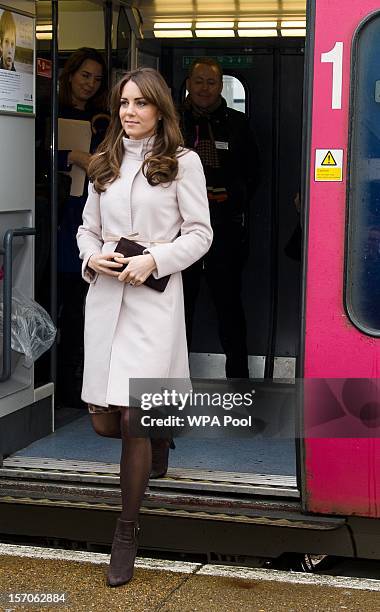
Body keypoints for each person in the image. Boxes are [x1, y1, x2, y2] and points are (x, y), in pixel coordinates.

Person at [76, 67, 212, 586]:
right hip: (107, 300)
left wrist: (153, 260)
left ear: (160, 109)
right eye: (124, 102)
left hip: (153, 305)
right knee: (105, 424)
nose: (130, 111)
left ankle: (126, 532)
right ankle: (160, 439)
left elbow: (200, 234)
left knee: (133, 418)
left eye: (141, 103)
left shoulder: (183, 163)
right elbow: (88, 229)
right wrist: (94, 259)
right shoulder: (104, 162)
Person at [181, 57, 260, 378]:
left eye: (211, 82)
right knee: (177, 309)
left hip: (224, 229)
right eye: (198, 81)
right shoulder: (170, 121)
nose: (204, 88)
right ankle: (172, 380)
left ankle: (240, 380)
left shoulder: (238, 123)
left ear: (220, 86)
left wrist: (232, 196)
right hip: (178, 231)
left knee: (229, 307)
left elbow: (254, 173)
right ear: (188, 84)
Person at [57, 48, 109, 409]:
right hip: (50, 212)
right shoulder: (47, 109)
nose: (90, 84)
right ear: (70, 74)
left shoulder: (105, 119)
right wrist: (72, 157)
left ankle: (71, 382)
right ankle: (43, 377)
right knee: (49, 297)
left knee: (79, 304)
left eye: (97, 78)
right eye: (84, 75)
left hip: (85, 218)